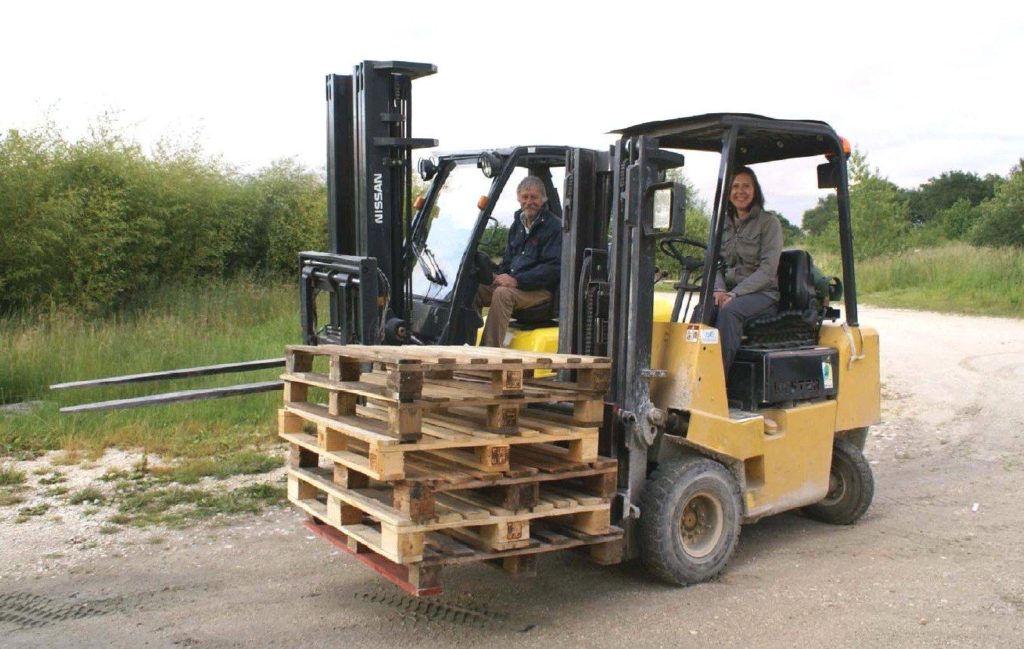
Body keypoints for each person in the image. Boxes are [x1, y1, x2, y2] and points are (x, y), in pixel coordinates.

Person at [706, 165, 783, 376]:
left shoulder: (769, 223)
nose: (740, 191)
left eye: (746, 186)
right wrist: (719, 290)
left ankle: (717, 382)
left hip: (762, 294)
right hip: (730, 293)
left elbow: (767, 271)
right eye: (735, 186)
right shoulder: (722, 224)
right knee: (702, 309)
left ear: (755, 190)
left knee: (729, 312)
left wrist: (735, 293)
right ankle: (693, 375)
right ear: (728, 192)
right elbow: (715, 264)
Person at [475, 176, 561, 347]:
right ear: (519, 199)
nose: (529, 201)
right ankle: (463, 344)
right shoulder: (518, 225)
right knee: (474, 288)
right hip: (517, 285)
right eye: (525, 197)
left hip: (540, 290)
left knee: (502, 294)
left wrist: (516, 281)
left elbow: (553, 269)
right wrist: (497, 276)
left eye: (534, 197)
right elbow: (508, 260)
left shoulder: (554, 227)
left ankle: (487, 354)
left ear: (543, 199)